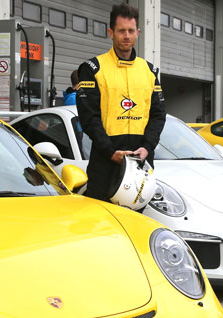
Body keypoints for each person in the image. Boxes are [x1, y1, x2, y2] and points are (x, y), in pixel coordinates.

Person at [76, 3, 165, 203]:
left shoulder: (149, 71)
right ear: (111, 33)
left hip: (141, 164)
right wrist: (110, 151)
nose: (126, 36)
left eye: (131, 31)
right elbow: (89, 117)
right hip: (106, 163)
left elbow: (159, 115)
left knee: (137, 227)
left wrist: (147, 147)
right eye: (121, 31)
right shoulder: (92, 68)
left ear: (138, 33)